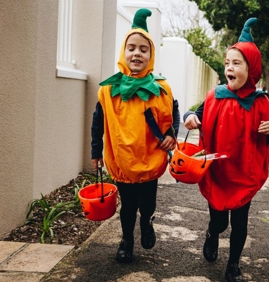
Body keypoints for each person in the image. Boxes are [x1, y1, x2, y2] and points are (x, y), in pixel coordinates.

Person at [183, 18, 269, 282]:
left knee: (239, 223)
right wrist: (190, 116)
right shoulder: (216, 96)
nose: (229, 68)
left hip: (244, 173)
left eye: (237, 63)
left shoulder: (261, 103)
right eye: (227, 63)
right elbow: (195, 113)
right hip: (218, 171)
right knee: (219, 221)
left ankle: (234, 264)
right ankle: (212, 234)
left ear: (252, 69)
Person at [90, 8, 179, 263]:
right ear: (123, 52)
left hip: (150, 158)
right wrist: (96, 151)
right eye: (131, 47)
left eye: (143, 49)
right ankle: (126, 239)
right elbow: (98, 123)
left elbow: (173, 111)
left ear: (151, 55)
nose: (136, 53)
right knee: (128, 206)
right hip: (122, 160)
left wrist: (172, 134)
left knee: (147, 204)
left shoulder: (161, 88)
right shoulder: (109, 90)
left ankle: (148, 221)